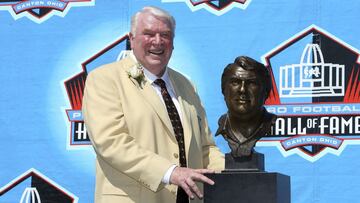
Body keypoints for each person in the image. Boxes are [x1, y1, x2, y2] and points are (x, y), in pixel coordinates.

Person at [82, 6, 224, 203]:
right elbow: (111, 142)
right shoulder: (104, 79)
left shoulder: (186, 85)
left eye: (165, 35)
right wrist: (170, 172)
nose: (157, 41)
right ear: (131, 39)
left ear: (172, 43)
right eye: (148, 34)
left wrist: (240, 174)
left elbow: (205, 148)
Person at [215, 56, 276, 158]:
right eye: (235, 82)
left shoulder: (270, 122)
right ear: (224, 91)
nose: (242, 89)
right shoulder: (223, 124)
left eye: (252, 83)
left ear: (265, 93)